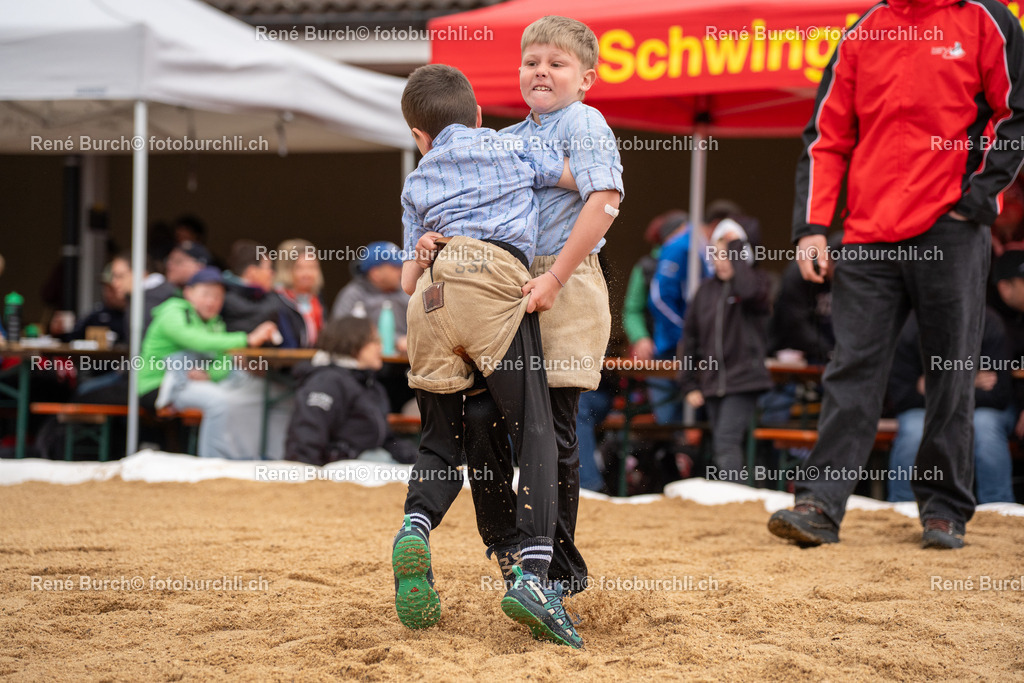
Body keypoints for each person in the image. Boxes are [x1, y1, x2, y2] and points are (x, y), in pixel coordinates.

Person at [768, 0, 1024, 550]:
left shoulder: (987, 19)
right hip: (866, 234)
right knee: (851, 369)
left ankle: (943, 509)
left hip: (950, 230)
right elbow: (826, 137)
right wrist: (812, 227)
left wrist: (977, 200)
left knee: (951, 371)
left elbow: (1015, 113)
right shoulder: (863, 30)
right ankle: (818, 503)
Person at [390, 63, 583, 648]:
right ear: (478, 117)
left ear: (417, 137)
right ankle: (532, 571)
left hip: (429, 297)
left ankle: (415, 527)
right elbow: (578, 179)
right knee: (536, 430)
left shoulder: (416, 180)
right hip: (491, 282)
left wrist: (423, 251)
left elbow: (403, 282)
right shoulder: (511, 147)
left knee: (440, 441)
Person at [461, 13, 623, 624]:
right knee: (482, 415)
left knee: (551, 425)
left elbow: (604, 202)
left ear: (586, 79)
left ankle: (553, 572)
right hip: (510, 283)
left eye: (557, 63)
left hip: (566, 282)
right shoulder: (508, 135)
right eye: (532, 61)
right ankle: (515, 552)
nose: (541, 72)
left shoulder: (585, 121)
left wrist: (555, 277)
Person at [141, 267, 281, 458]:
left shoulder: (215, 322)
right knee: (219, 402)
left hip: (194, 383)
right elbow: (195, 339)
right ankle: (211, 463)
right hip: (160, 385)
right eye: (206, 294)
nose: (211, 302)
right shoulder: (173, 311)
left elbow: (224, 359)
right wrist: (247, 340)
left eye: (218, 297)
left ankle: (247, 456)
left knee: (251, 394)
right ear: (188, 293)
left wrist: (210, 374)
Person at [887, 311, 1016, 504]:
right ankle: (901, 508)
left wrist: (933, 385)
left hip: (978, 409)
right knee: (913, 432)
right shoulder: (909, 326)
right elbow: (902, 397)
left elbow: (998, 395)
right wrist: (969, 381)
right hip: (926, 409)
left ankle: (998, 507)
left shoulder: (989, 322)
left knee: (985, 426)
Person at [680, 219, 772, 484]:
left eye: (729, 255)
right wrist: (688, 384)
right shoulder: (705, 292)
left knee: (726, 442)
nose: (722, 261)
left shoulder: (756, 285)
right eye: (717, 254)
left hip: (744, 380)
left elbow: (749, 289)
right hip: (713, 383)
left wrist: (736, 248)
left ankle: (736, 498)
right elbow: (691, 339)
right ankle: (736, 495)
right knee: (723, 443)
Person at [647, 201, 742, 423]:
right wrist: (685, 334)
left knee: (700, 421)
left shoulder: (705, 249)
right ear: (717, 225)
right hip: (672, 349)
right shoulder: (682, 246)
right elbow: (659, 298)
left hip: (701, 353)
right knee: (671, 421)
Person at [285, 317, 416, 466]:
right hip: (339, 472)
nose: (380, 347)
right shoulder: (327, 381)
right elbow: (305, 438)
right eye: (375, 341)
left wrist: (417, 460)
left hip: (370, 463)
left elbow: (384, 439)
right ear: (354, 344)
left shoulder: (369, 384)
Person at [330, 241, 410, 352]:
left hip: (404, 362)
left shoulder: (407, 292)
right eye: (395, 267)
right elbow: (341, 332)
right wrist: (396, 341)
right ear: (375, 273)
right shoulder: (353, 295)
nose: (401, 272)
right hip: (366, 364)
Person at [272, 238, 324, 348]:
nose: (307, 274)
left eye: (312, 267)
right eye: (300, 268)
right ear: (286, 269)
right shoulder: (276, 300)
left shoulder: (316, 299)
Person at [221, 239, 279, 334]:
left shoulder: (269, 296)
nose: (272, 273)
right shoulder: (224, 296)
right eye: (268, 268)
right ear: (252, 272)